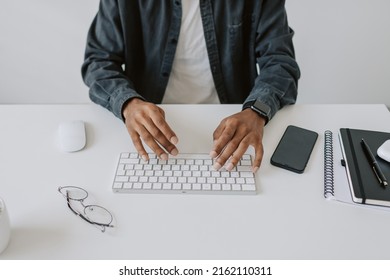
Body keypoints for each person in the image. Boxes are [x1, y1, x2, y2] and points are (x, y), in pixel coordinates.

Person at [81, 0, 300, 173]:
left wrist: (257, 110)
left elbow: (280, 61)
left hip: (234, 124)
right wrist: (128, 103)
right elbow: (98, 60)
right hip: (150, 126)